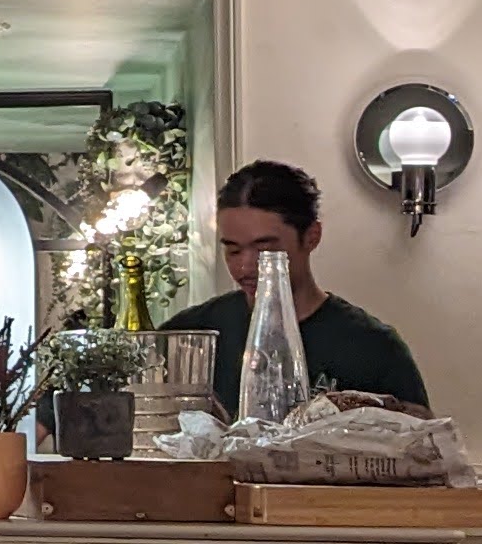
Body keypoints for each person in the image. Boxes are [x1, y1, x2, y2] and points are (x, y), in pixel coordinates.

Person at [164, 160, 430, 420]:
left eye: (265, 250)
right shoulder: (188, 335)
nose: (245, 267)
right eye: (233, 250)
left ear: (312, 236)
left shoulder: (372, 347)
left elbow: (422, 439)